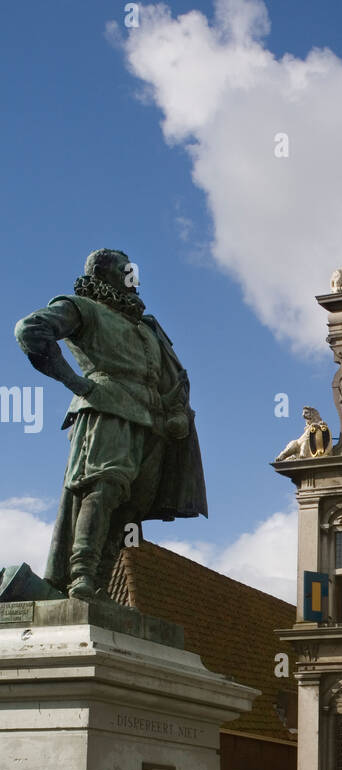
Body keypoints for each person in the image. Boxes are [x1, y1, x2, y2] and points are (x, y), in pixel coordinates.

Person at [14, 248, 206, 600]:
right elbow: (30, 329)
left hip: (152, 424)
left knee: (130, 506)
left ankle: (99, 583)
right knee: (103, 488)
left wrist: (174, 412)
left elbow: (171, 379)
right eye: (126, 270)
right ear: (106, 275)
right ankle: (80, 575)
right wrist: (77, 383)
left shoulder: (146, 328)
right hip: (108, 408)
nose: (134, 278)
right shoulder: (83, 308)